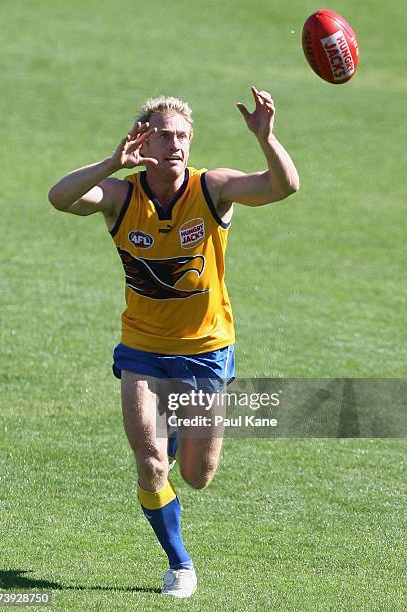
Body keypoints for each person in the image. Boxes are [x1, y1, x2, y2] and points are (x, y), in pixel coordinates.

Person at [48, 86, 299, 598]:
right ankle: (180, 563)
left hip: (206, 347)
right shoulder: (122, 196)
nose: (175, 144)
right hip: (142, 347)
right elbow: (61, 197)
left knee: (197, 475)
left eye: (183, 136)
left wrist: (267, 139)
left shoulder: (213, 189)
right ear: (144, 139)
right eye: (164, 135)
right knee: (150, 461)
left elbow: (283, 186)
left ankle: (183, 436)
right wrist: (110, 163)